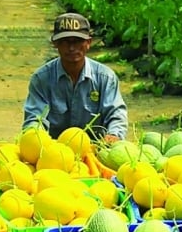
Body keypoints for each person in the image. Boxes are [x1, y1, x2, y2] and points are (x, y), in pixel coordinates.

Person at [22, 13, 128, 143]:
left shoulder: (105, 78)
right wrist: (35, 139)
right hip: (53, 149)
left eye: (77, 41)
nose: (72, 48)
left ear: (88, 43)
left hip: (95, 149)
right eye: (65, 42)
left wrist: (113, 135)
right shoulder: (41, 79)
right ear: (55, 43)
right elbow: (34, 119)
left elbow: (116, 115)